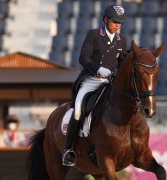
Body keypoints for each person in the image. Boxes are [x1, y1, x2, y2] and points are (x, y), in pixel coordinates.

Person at [62, 5, 128, 166]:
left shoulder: (122, 40)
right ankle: (68, 149)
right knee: (78, 111)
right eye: (114, 21)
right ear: (105, 20)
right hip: (91, 80)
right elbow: (83, 59)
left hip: (108, 82)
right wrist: (100, 69)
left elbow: (122, 63)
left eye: (119, 22)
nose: (117, 25)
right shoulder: (94, 35)